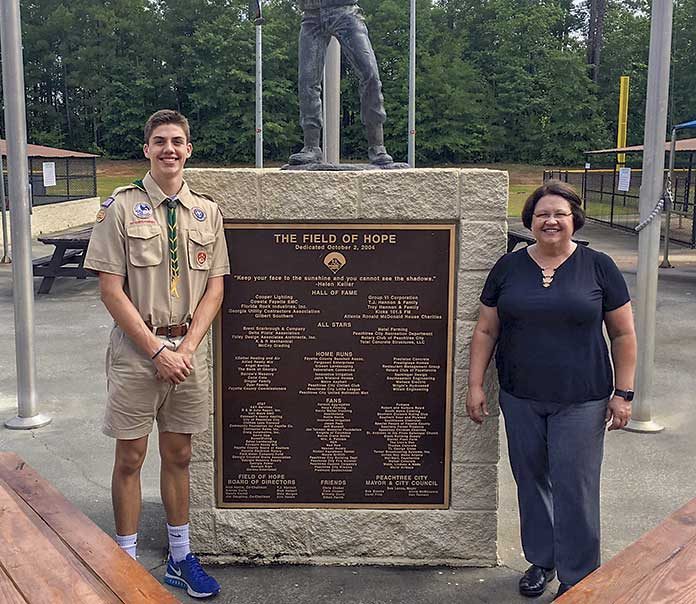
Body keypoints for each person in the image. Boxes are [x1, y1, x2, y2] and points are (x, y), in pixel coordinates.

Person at [466, 180, 637, 600]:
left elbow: (623, 334)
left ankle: (577, 575)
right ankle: (541, 560)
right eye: (543, 214)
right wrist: (474, 384)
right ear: (530, 220)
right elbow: (487, 329)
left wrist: (624, 392)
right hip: (521, 395)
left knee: (574, 485)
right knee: (530, 479)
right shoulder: (508, 267)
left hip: (582, 398)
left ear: (574, 219)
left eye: (559, 213)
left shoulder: (599, 266)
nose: (551, 220)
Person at [84, 110, 229, 599]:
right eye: (160, 141)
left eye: (178, 141)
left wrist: (185, 348)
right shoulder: (120, 209)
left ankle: (180, 556)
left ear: (189, 149)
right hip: (136, 353)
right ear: (146, 148)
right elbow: (110, 289)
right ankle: (123, 560)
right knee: (131, 454)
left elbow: (215, 290)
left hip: (186, 352)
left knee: (179, 453)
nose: (170, 149)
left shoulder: (207, 212)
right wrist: (155, 351)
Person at [289, 0, 393, 166]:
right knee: (307, 81)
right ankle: (311, 146)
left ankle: (377, 146)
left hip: (345, 11)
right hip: (311, 14)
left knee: (370, 74)